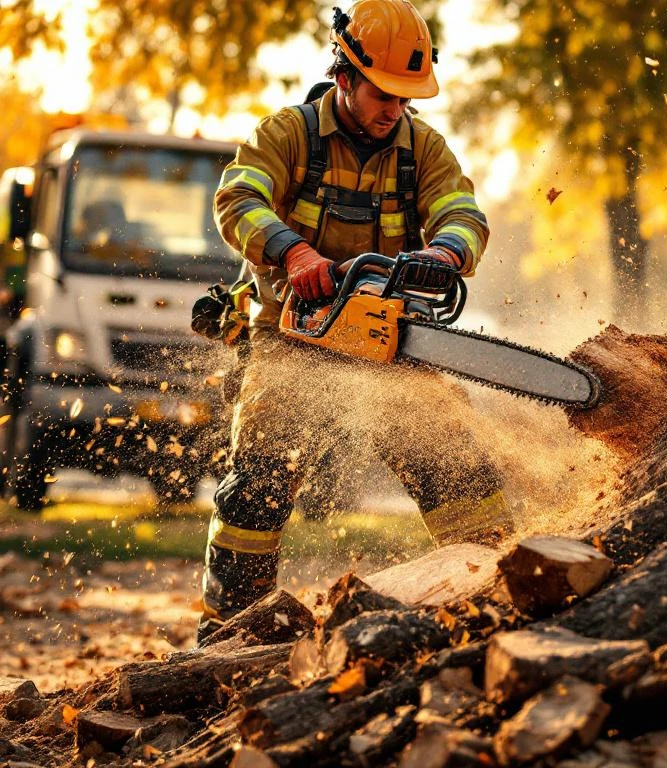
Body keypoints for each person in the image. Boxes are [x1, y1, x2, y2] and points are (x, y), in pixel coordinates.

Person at [199, 0, 513, 642]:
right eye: (383, 93)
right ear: (344, 77)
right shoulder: (290, 134)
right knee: (260, 477)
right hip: (293, 331)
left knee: (450, 461)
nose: (394, 108)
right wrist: (295, 252)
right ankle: (229, 627)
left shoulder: (422, 148)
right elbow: (237, 197)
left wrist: (447, 251)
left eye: (406, 96)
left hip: (387, 331)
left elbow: (463, 211)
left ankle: (500, 588)